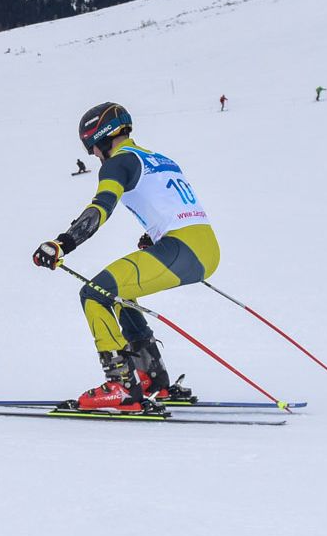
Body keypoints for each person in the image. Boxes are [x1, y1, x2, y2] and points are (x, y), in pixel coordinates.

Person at [32, 102, 219, 413]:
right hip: (204, 247)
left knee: (95, 294)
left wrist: (62, 243)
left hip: (181, 249)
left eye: (91, 145)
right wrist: (155, 234)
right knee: (119, 293)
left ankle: (121, 384)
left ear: (102, 138)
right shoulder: (159, 159)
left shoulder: (119, 163)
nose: (92, 154)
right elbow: (174, 204)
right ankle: (153, 377)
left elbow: (101, 207)